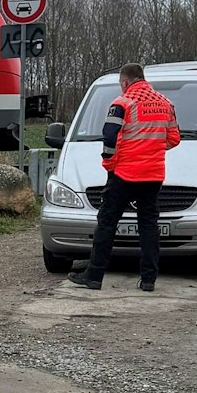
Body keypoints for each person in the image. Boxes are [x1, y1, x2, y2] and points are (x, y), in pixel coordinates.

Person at [67, 63, 180, 293]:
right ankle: (148, 279)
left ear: (125, 81)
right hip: (153, 175)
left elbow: (109, 137)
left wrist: (110, 164)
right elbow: (174, 138)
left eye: (121, 84)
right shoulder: (166, 103)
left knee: (107, 223)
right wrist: (151, 149)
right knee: (148, 225)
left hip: (124, 173)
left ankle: (94, 275)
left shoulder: (122, 103)